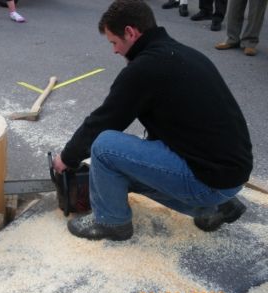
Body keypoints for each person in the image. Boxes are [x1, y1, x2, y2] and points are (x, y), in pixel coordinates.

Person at [52, 0, 252, 241]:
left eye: (114, 42)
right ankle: (217, 207)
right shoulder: (182, 53)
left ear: (130, 32)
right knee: (121, 171)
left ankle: (111, 222)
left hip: (210, 180)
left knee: (105, 147)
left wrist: (67, 158)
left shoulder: (145, 68)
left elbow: (102, 122)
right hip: (230, 174)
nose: (114, 50)